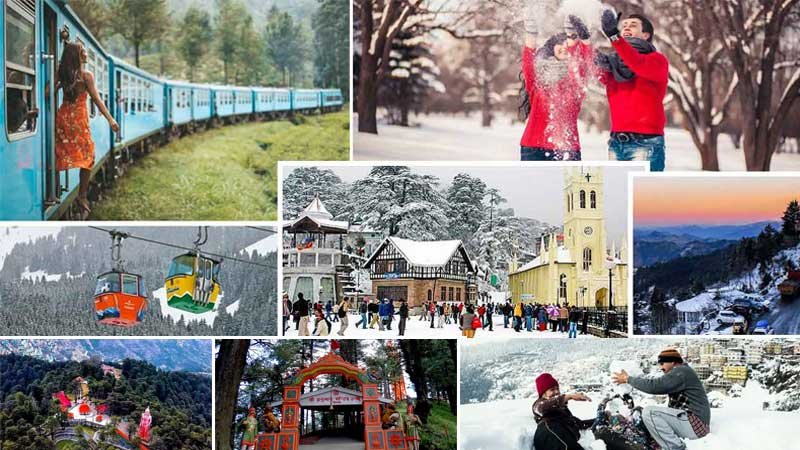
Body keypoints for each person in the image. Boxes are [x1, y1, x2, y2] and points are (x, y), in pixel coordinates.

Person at [597, 10, 669, 171]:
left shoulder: (657, 61)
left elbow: (636, 63)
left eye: (633, 25)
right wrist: (582, 41)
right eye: (624, 25)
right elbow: (590, 69)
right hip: (616, 143)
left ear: (646, 35)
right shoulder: (613, 65)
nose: (627, 27)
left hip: (646, 143)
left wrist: (614, 37)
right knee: (618, 188)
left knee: (644, 189)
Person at [55, 41, 120, 218]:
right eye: (83, 51)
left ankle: (55, 188)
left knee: (60, 151)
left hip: (63, 118)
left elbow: (47, 92)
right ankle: (82, 196)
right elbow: (97, 100)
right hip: (78, 120)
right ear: (76, 55)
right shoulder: (86, 76)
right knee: (89, 156)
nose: (85, 54)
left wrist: (58, 84)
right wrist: (111, 119)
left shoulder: (62, 74)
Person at [520, 12, 594, 161]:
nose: (564, 46)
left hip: (566, 148)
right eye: (560, 43)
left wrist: (574, 36)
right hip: (533, 148)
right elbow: (528, 62)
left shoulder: (575, 79)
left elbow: (585, 60)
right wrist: (531, 34)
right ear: (552, 47)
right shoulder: (539, 78)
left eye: (567, 44)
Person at [612, 348, 710, 450]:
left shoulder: (681, 371)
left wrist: (628, 379)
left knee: (649, 413)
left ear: (672, 362)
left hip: (695, 424)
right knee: (643, 413)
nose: (661, 367)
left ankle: (676, 448)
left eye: (663, 363)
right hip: (693, 423)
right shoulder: (683, 371)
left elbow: (654, 386)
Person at [532, 373, 594, 450]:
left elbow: (579, 424)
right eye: (552, 390)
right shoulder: (539, 405)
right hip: (549, 438)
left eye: (557, 388)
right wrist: (569, 396)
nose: (556, 391)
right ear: (543, 394)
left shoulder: (563, 412)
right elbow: (542, 407)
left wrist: (602, 418)